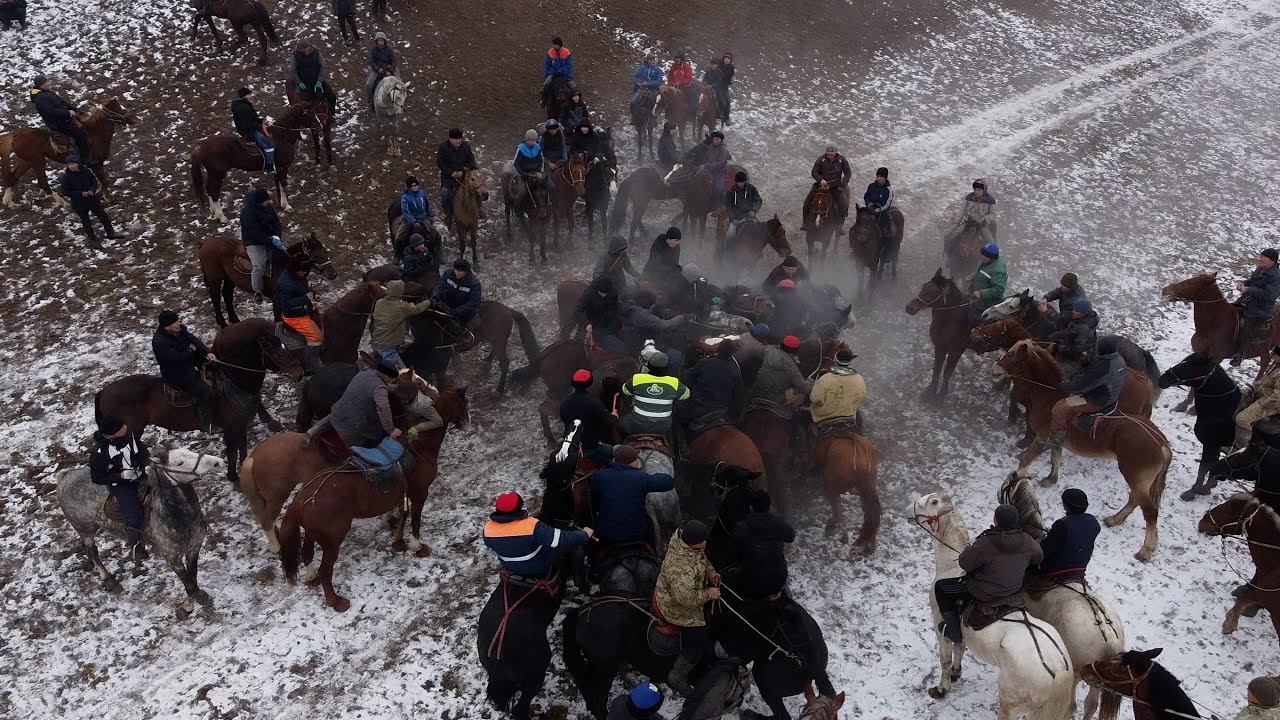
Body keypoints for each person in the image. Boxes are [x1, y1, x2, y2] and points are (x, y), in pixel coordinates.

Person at [934, 504, 1043, 642]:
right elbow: (1038, 557)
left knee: (941, 588)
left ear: (996, 521)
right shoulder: (1027, 540)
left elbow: (965, 564)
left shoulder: (985, 542)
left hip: (983, 592)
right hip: (1013, 589)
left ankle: (954, 631)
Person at [655, 520, 720, 696]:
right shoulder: (679, 567)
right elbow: (686, 598)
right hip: (676, 605)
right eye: (700, 545)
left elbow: (701, 558)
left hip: (688, 590)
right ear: (690, 543)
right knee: (696, 643)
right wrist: (709, 594)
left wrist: (710, 571)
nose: (704, 546)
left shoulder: (688, 543)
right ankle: (676, 676)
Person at [484, 492, 592, 580]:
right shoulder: (532, 526)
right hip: (537, 565)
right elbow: (560, 538)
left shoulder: (487, 529)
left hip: (509, 566)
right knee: (575, 546)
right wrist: (584, 535)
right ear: (519, 508)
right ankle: (580, 583)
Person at [89, 416, 151, 560]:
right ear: (114, 432)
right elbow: (97, 477)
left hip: (141, 473)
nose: (125, 426)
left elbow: (141, 450)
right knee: (132, 514)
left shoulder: (129, 435)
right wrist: (121, 476)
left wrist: (146, 464)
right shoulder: (99, 453)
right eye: (122, 426)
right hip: (122, 484)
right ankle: (136, 546)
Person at [590, 444, 675, 546]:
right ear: (634, 462)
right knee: (650, 523)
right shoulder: (641, 478)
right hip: (636, 535)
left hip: (605, 534)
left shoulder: (599, 476)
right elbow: (668, 482)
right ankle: (657, 553)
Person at [1049, 339, 1127, 448]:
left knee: (1060, 408)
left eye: (1097, 348)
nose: (1095, 349)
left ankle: (1057, 437)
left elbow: (1081, 386)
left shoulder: (1103, 367)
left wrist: (1062, 386)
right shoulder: (1119, 359)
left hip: (1098, 400)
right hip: (1111, 395)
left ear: (1103, 350)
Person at [152, 309, 217, 432]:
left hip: (191, 362)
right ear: (167, 326)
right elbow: (175, 360)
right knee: (205, 392)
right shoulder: (160, 342)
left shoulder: (179, 329)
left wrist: (207, 352)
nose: (179, 323)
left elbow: (193, 339)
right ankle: (206, 423)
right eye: (176, 322)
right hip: (177, 374)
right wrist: (191, 350)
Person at [726, 491, 795, 599]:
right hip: (778, 580)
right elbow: (791, 537)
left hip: (752, 584)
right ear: (769, 507)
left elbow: (730, 554)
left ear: (751, 507)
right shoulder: (779, 523)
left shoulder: (741, 528)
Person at [329, 361, 402, 452]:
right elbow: (383, 409)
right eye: (392, 378)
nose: (392, 381)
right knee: (371, 445)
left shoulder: (364, 373)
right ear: (386, 375)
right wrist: (391, 430)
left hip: (337, 414)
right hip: (350, 428)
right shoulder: (380, 388)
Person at [620, 352, 690, 440]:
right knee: (678, 430)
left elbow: (625, 390)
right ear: (667, 368)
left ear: (648, 366)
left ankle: (619, 449)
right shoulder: (674, 382)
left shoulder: (637, 378)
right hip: (663, 427)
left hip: (636, 424)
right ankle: (680, 452)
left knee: (619, 424)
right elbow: (686, 395)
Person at [1037, 488, 1101, 582]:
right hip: (1080, 568)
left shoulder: (1062, 524)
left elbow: (1046, 550)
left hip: (1057, 569)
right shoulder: (1093, 521)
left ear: (1066, 506)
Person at [558, 369, 618, 465]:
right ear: (589, 383)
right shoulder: (594, 402)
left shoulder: (564, 403)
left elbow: (564, 419)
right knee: (614, 452)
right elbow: (610, 421)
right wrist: (614, 415)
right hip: (591, 447)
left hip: (571, 446)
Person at [685, 339, 746, 431]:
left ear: (718, 349)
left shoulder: (705, 362)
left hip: (698, 407)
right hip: (721, 411)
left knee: (677, 419)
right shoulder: (735, 371)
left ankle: (680, 444)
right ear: (732, 353)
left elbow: (688, 378)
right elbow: (738, 397)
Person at [1232, 248, 1280, 365]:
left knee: (1247, 329)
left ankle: (1240, 354)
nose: (1260, 259)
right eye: (1261, 256)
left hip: (1260, 311)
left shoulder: (1276, 277)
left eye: (1264, 257)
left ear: (1272, 261)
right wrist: (1243, 284)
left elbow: (1270, 295)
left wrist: (1249, 289)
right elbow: (1253, 281)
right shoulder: (1261, 269)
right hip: (1246, 302)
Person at [370, 279, 432, 369]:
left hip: (376, 343)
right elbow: (418, 308)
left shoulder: (379, 302)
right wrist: (429, 301)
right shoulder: (401, 307)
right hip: (387, 348)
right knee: (403, 376)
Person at [60, 155, 119, 249]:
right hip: (79, 203)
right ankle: (93, 240)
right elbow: (65, 191)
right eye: (69, 164)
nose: (71, 166)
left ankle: (110, 233)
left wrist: (92, 190)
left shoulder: (86, 171)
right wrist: (80, 194)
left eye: (73, 164)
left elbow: (94, 182)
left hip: (91, 199)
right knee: (86, 222)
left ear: (77, 164)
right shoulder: (66, 178)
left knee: (103, 215)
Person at [276, 260, 324, 373]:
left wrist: (313, 293)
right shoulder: (286, 284)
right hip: (294, 317)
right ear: (296, 270)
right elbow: (286, 303)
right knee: (316, 338)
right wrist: (305, 298)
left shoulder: (297, 275)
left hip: (305, 310)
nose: (305, 273)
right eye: (303, 271)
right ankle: (310, 366)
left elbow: (304, 287)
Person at [30, 76, 92, 162]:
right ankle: (85, 158)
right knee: (79, 134)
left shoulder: (47, 93)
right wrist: (68, 113)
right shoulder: (40, 98)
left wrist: (75, 109)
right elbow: (50, 112)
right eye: (46, 83)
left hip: (64, 118)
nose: (49, 83)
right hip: (58, 123)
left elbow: (62, 102)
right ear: (41, 85)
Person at [750, 335, 812, 420]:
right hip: (776, 400)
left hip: (756, 392)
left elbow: (761, 350)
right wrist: (810, 382)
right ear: (796, 351)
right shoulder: (792, 368)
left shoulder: (770, 350)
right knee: (796, 414)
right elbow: (804, 388)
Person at [238, 187, 283, 303]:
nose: (268, 203)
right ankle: (257, 290)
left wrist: (277, 236)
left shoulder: (267, 208)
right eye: (266, 201)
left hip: (269, 238)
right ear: (259, 202)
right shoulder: (248, 213)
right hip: (254, 242)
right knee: (259, 264)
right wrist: (269, 240)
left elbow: (276, 222)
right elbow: (254, 233)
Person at [1233, 345, 1280, 450]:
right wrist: (1251, 388)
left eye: (1275, 355)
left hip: (1270, 404)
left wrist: (1263, 403)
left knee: (1242, 419)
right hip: (1261, 396)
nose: (1272, 356)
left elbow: (1277, 397)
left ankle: (1243, 450)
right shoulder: (1276, 366)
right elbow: (1264, 382)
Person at [571, 277, 627, 356]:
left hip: (611, 321)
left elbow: (615, 307)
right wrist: (586, 323)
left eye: (606, 293)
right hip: (595, 324)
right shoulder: (589, 294)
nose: (603, 295)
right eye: (601, 293)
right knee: (618, 348)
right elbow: (577, 309)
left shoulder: (613, 292)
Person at [809, 350, 866, 427]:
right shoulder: (859, 378)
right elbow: (861, 397)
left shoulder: (825, 378)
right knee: (860, 423)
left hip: (823, 417)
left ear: (835, 361)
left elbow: (815, 399)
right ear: (849, 362)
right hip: (849, 415)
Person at [436, 129, 478, 224]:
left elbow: (471, 161)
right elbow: (440, 163)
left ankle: (479, 208)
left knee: (477, 189)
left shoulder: (466, 146)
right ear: (450, 139)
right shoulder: (443, 147)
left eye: (459, 139)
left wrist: (463, 171)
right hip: (449, 177)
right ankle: (448, 213)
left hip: (464, 176)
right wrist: (451, 173)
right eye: (455, 139)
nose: (457, 141)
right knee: (445, 194)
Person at [944, 179, 997, 256]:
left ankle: (995, 258)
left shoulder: (990, 200)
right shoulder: (969, 198)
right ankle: (948, 257)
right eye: (975, 189)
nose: (976, 192)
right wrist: (955, 224)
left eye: (979, 190)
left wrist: (984, 219)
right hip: (968, 222)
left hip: (982, 224)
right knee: (951, 236)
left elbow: (993, 214)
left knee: (990, 242)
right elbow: (962, 212)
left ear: (984, 190)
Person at [230, 87, 275, 173]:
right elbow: (247, 124)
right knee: (268, 146)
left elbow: (251, 118)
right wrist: (257, 125)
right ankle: (270, 166)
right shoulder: (244, 107)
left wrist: (260, 120)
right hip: (250, 132)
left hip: (250, 129)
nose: (251, 96)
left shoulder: (243, 105)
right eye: (249, 94)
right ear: (245, 96)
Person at [805, 143, 852, 225]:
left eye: (832, 151)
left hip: (835, 186)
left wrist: (843, 184)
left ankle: (839, 226)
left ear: (836, 151)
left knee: (843, 205)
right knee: (807, 203)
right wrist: (820, 180)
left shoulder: (842, 160)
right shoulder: (820, 159)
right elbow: (814, 172)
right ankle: (805, 222)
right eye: (828, 151)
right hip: (821, 185)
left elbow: (848, 173)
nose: (830, 153)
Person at [1046, 299, 1099, 370]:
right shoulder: (1079, 317)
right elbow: (1069, 329)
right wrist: (1056, 335)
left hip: (1077, 358)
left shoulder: (1084, 330)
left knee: (1058, 371)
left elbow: (1077, 350)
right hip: (1070, 344)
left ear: (1081, 314)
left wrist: (1057, 347)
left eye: (1075, 310)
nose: (1073, 311)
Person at [433, 258, 482, 327]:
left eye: (460, 271)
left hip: (464, 315)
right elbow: (440, 286)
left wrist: (457, 312)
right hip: (448, 307)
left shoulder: (474, 284)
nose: (457, 273)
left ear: (466, 272)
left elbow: (473, 303)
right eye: (455, 270)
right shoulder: (448, 274)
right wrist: (436, 295)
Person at [967, 243, 1007, 321]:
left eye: (984, 255)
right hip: (977, 302)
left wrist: (981, 293)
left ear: (992, 258)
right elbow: (980, 272)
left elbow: (999, 289)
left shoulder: (998, 271)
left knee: (975, 323)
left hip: (985, 307)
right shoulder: (984, 261)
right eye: (982, 254)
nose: (981, 257)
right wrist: (972, 278)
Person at [723, 170, 762, 245]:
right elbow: (729, 206)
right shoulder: (731, 191)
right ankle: (727, 254)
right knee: (729, 236)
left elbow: (758, 200)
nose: (740, 184)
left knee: (760, 233)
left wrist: (754, 210)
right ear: (736, 182)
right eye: (739, 182)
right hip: (736, 219)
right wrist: (733, 218)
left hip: (749, 217)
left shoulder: (752, 188)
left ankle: (759, 253)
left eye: (742, 182)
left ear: (745, 181)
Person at [642, 227, 683, 292]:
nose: (677, 243)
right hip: (652, 273)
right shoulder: (658, 245)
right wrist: (672, 268)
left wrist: (678, 268)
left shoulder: (677, 247)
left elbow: (675, 263)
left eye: (678, 241)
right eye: (675, 240)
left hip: (668, 273)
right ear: (668, 239)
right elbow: (656, 265)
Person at [398, 176, 435, 246]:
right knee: (398, 238)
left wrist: (431, 215)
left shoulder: (422, 193)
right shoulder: (405, 197)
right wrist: (413, 221)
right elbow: (406, 211)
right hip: (410, 220)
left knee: (436, 235)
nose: (415, 187)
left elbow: (427, 204)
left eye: (416, 185)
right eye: (413, 186)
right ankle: (398, 254)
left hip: (423, 218)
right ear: (409, 187)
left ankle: (438, 253)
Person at [366, 33, 397, 110]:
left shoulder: (389, 49)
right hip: (377, 70)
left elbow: (394, 61)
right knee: (369, 85)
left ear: (384, 41)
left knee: (399, 83)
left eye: (382, 41)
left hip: (387, 69)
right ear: (376, 41)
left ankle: (399, 101)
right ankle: (370, 101)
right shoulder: (373, 49)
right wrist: (377, 69)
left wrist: (390, 70)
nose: (380, 42)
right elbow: (370, 61)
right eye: (379, 41)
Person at [863, 167, 895, 239]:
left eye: (881, 177)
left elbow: (887, 205)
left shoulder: (888, 190)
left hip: (881, 213)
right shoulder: (871, 186)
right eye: (877, 176)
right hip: (869, 209)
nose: (878, 178)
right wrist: (869, 204)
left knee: (885, 231)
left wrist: (875, 210)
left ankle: (887, 248)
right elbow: (866, 196)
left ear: (885, 178)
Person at [717, 52, 735, 125]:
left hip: (724, 86)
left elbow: (728, 77)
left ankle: (726, 117)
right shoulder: (719, 65)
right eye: (725, 58)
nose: (727, 60)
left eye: (728, 59)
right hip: (716, 84)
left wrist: (722, 77)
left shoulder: (731, 67)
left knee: (727, 100)